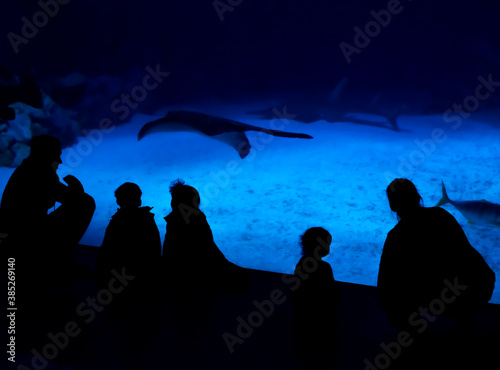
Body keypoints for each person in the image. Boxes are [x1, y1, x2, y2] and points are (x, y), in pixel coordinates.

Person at [378, 178, 496, 367]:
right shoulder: (442, 215)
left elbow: (385, 286)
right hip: (480, 286)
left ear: (392, 206)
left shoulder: (396, 236)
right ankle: (466, 329)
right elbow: (467, 259)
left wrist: (406, 325)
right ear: (418, 197)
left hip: (442, 298)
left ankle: (421, 340)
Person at [0, 135, 95, 285]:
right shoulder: (40, 172)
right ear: (46, 153)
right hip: (24, 239)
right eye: (57, 154)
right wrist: (76, 188)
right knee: (86, 202)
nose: (60, 160)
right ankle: (57, 265)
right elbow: (71, 198)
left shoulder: (27, 168)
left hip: (17, 236)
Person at [162, 178, 247, 295]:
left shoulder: (172, 221)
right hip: (199, 275)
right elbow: (208, 249)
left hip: (177, 276)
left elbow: (169, 251)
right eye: (197, 200)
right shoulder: (196, 218)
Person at [290, 227, 341, 365]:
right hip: (321, 320)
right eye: (327, 244)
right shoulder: (324, 267)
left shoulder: (301, 264)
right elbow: (331, 293)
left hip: (303, 319)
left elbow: (297, 293)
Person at [95, 182, 161, 287]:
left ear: (119, 201)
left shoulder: (118, 220)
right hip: (140, 279)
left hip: (123, 278)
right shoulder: (147, 219)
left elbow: (107, 248)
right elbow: (155, 249)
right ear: (139, 200)